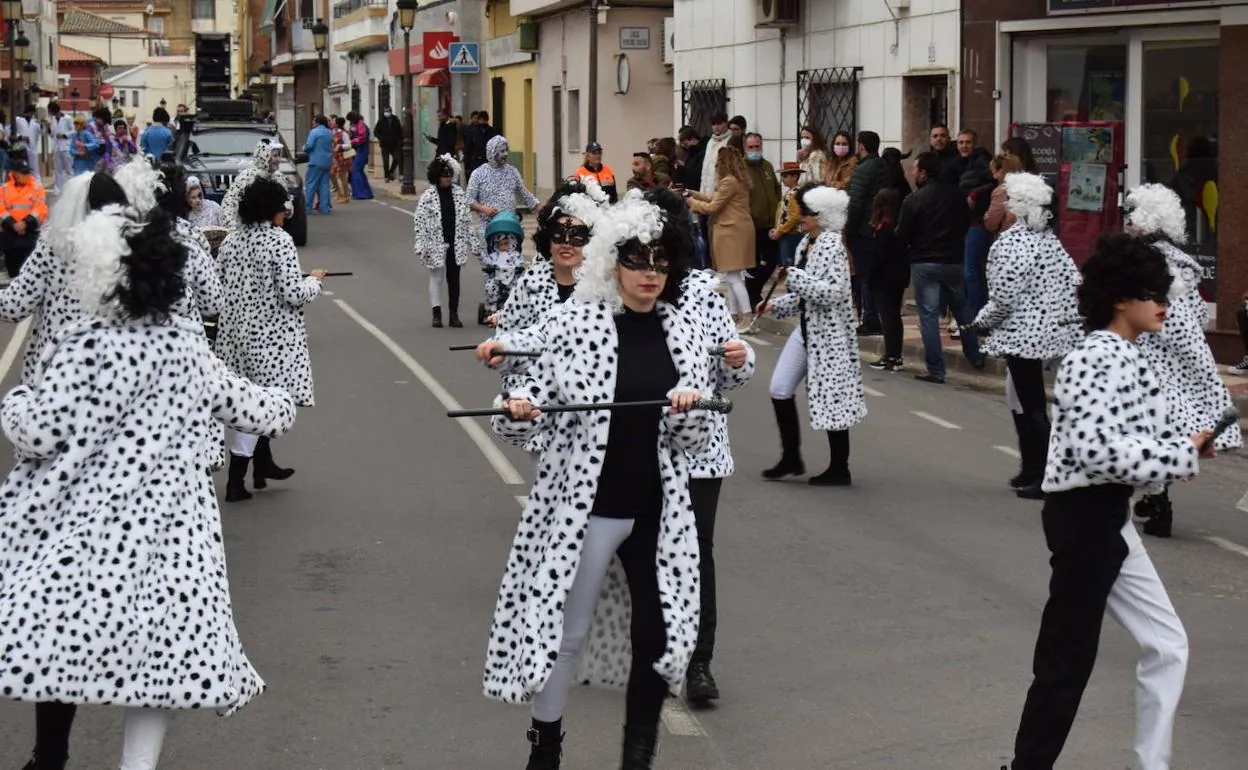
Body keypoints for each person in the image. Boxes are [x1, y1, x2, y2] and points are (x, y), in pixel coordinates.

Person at [0, 202, 295, 770]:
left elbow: (37, 433)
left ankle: (50, 756)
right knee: (162, 656)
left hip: (86, 519)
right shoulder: (186, 346)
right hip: (173, 532)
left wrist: (15, 400)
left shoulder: (87, 343)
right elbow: (258, 411)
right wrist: (280, 399)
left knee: (64, 630)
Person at [486, 187, 712, 770]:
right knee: (569, 632)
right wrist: (517, 409)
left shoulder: (682, 331)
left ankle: (637, 757)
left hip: (658, 511)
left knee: (661, 641)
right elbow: (524, 404)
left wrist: (691, 412)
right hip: (587, 510)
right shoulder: (576, 324)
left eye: (661, 262)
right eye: (637, 260)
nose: (650, 274)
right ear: (612, 261)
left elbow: (693, 444)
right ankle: (547, 746)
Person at [1003, 232, 1210, 770]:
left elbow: (1142, 438)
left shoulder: (1125, 354)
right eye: (1154, 293)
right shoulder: (1094, 358)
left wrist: (1186, 446)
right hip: (1086, 517)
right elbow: (1099, 452)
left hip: (1105, 516)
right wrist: (1179, 458)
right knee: (1066, 660)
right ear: (1121, 297)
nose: (1165, 303)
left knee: (1165, 645)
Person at [1125, 184, 1242, 538]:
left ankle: (1159, 506)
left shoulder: (1159, 263)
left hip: (1156, 365)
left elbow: (1178, 324)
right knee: (1153, 432)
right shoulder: (1160, 257)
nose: (1127, 219)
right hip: (1147, 360)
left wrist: (1202, 368)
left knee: (1151, 431)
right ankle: (1152, 499)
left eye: (1132, 212)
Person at [969, 173, 1081, 501]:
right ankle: (1032, 468)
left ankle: (1043, 474)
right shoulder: (1050, 240)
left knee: (1031, 405)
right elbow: (1071, 282)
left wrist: (979, 323)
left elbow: (1003, 296)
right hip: (1049, 333)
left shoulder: (1014, 242)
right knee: (1022, 400)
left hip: (1023, 335)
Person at [215, 177, 327, 502]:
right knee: (261, 405)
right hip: (271, 338)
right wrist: (315, 282)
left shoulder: (232, 241)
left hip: (235, 336)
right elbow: (293, 293)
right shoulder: (279, 241)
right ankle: (237, 480)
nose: (286, 212)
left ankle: (262, 466)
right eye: (282, 207)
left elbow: (219, 285)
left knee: (246, 400)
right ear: (271, 209)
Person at [757, 184, 866, 485]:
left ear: (821, 214)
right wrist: (773, 305)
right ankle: (791, 457)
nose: (800, 217)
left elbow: (832, 293)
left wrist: (795, 277)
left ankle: (839, 467)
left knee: (834, 400)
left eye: (804, 212)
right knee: (779, 388)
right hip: (807, 330)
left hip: (830, 335)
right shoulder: (805, 242)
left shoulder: (832, 245)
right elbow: (805, 293)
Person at [0, 172, 130, 386]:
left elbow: (15, 305)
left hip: (57, 369)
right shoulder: (134, 248)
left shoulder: (56, 248)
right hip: (116, 371)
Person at [900, 151, 985, 383]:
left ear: (924, 173)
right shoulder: (957, 196)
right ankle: (975, 355)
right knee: (962, 307)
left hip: (925, 261)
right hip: (953, 260)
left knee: (928, 315)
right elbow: (966, 223)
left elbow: (903, 233)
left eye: (915, 169)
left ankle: (936, 369)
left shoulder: (914, 200)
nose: (912, 173)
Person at [686, 146, 756, 330]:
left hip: (731, 231)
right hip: (736, 230)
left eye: (718, 162)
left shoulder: (729, 182)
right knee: (732, 275)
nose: (716, 165)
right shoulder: (735, 181)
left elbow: (713, 207)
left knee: (733, 277)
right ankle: (733, 316)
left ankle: (746, 316)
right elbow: (715, 198)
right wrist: (694, 193)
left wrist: (691, 203)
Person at [414, 155, 478, 329]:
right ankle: (436, 313)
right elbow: (419, 222)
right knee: (436, 277)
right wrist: (420, 244)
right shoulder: (428, 196)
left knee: (454, 279)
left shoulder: (459, 194)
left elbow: (466, 221)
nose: (448, 178)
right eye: (444, 175)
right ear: (437, 176)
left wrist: (474, 245)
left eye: (450, 175)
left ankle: (454, 314)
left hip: (455, 242)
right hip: (435, 242)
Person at [844, 130, 889, 336]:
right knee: (878, 276)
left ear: (861, 146)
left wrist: (848, 230)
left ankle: (870, 318)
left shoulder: (862, 170)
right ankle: (878, 315)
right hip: (881, 228)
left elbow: (855, 203)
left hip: (863, 230)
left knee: (865, 276)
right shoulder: (884, 167)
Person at [866, 188, 908, 372]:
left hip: (885, 279)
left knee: (888, 317)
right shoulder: (899, 225)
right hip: (898, 277)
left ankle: (891, 356)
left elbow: (878, 257)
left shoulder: (885, 228)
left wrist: (871, 278)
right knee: (894, 317)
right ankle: (895, 355)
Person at [957, 129, 995, 321]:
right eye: (961, 142)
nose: (964, 146)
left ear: (975, 143)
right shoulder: (960, 163)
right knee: (969, 270)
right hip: (964, 221)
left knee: (972, 271)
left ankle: (977, 314)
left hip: (978, 221)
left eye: (968, 142)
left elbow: (994, 182)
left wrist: (975, 194)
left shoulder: (981, 161)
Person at [466, 135, 541, 227]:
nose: (506, 154)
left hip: (511, 225)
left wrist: (542, 209)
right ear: (493, 153)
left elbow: (525, 194)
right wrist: (484, 209)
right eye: (502, 151)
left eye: (506, 150)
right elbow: (469, 200)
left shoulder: (512, 172)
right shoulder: (478, 173)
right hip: (488, 227)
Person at [742, 132, 781, 309]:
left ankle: (754, 290)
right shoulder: (741, 169)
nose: (754, 150)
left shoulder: (767, 166)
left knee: (772, 261)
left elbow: (776, 189)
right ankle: (752, 295)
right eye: (751, 147)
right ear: (745, 148)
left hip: (770, 224)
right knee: (754, 264)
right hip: (752, 225)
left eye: (757, 146)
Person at [0, 153, 48, 277]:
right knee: (12, 271)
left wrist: (25, 223)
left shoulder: (37, 188)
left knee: (31, 273)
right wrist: (13, 224)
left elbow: (41, 209)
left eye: (28, 172)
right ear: (14, 174)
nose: (27, 176)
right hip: (9, 235)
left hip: (30, 235)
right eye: (23, 173)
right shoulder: (4, 188)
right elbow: (1, 209)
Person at [220, 139, 285, 230]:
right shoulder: (246, 177)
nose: (278, 159)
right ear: (264, 156)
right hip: (246, 230)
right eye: (275, 156)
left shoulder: (279, 177)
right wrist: (232, 228)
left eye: (279, 155)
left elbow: (285, 204)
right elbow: (229, 204)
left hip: (272, 231)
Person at [480, 212, 526, 326]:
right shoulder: (494, 256)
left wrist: (519, 267)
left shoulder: (514, 255)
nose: (504, 247)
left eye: (506, 244)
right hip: (497, 277)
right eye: (501, 245)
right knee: (490, 287)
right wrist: (489, 268)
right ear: (497, 245)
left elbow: (520, 262)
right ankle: (491, 309)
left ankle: (515, 309)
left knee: (517, 288)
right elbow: (488, 262)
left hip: (512, 277)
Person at [771, 161, 804, 268]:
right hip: (787, 233)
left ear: (794, 177)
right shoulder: (790, 192)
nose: (783, 179)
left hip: (791, 235)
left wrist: (780, 231)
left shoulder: (794, 194)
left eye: (785, 176)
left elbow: (794, 217)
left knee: (789, 266)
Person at [983, 154, 1024, 235]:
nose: (992, 174)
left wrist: (986, 216)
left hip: (1010, 237)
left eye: (993, 170)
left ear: (1000, 171)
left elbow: (991, 223)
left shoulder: (1001, 191)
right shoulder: (1028, 187)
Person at [303, 114, 334, 215]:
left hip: (315, 161)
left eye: (313, 120)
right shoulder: (329, 132)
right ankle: (324, 207)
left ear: (317, 121)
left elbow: (309, 145)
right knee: (324, 185)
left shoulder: (314, 131)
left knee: (311, 184)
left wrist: (304, 148)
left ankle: (307, 208)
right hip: (327, 161)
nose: (312, 122)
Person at [699, 112, 733, 194]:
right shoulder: (710, 141)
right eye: (714, 124)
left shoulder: (730, 141)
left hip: (720, 190)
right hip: (706, 190)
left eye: (719, 123)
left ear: (726, 123)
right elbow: (705, 168)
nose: (716, 127)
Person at [347, 111, 375, 200]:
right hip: (361, 150)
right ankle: (367, 192)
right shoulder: (360, 125)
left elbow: (361, 138)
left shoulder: (361, 125)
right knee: (360, 171)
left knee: (355, 171)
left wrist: (352, 141)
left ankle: (360, 193)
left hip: (361, 150)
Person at [48, 102, 73, 194]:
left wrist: (64, 135)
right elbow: (52, 134)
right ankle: (58, 188)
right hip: (56, 147)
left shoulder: (67, 118)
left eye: (50, 111)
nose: (49, 113)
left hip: (66, 146)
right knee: (57, 169)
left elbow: (73, 130)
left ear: (54, 110)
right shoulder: (53, 119)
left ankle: (70, 187)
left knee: (68, 168)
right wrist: (48, 129)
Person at [375, 105, 403, 182]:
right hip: (384, 144)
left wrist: (399, 140)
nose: (386, 112)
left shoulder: (395, 119)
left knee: (397, 158)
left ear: (391, 111)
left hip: (395, 144)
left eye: (388, 111)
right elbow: (376, 132)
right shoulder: (381, 120)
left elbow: (399, 130)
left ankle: (391, 172)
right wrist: (381, 139)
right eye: (385, 111)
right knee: (386, 160)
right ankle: (386, 176)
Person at [675, 126, 706, 192]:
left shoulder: (703, 151)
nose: (686, 147)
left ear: (693, 139)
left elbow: (696, 172)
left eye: (686, 144)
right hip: (691, 188)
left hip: (697, 188)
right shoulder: (692, 152)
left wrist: (684, 166)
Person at [331, 116, 353, 204]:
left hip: (342, 157)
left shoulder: (343, 134)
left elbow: (349, 145)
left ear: (337, 124)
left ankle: (346, 196)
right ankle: (339, 193)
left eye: (333, 121)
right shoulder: (332, 132)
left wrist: (340, 146)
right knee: (332, 174)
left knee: (342, 176)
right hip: (334, 157)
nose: (331, 122)